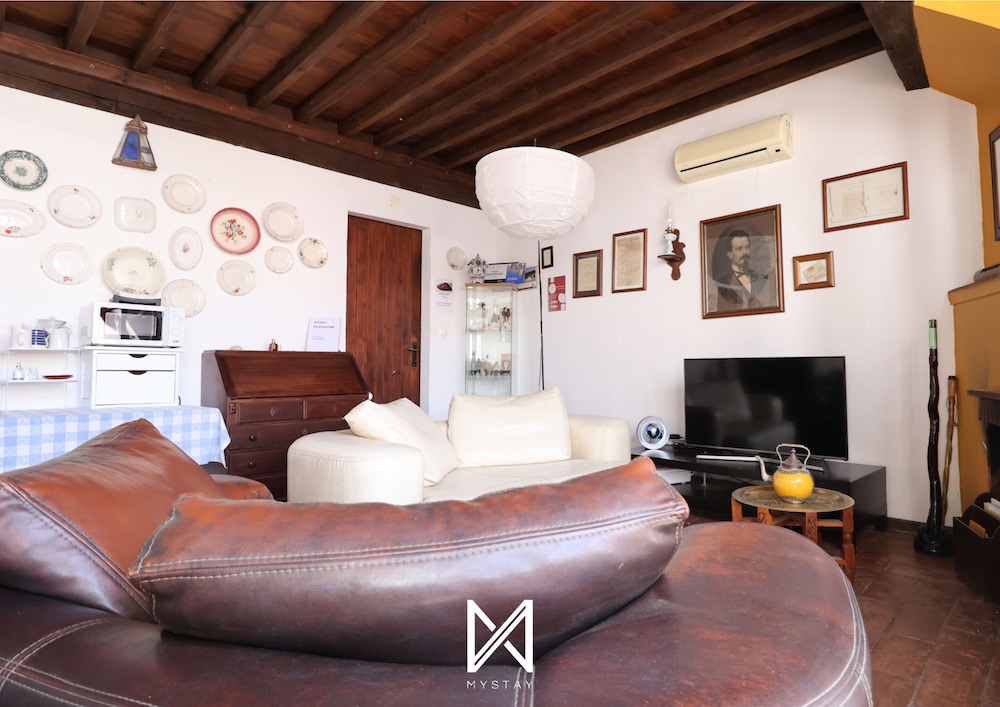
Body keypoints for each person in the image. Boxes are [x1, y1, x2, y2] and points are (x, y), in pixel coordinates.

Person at [713, 229, 773, 311]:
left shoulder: (761, 278)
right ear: (730, 255)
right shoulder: (722, 283)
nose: (745, 252)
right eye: (739, 249)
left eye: (747, 247)